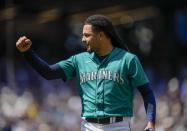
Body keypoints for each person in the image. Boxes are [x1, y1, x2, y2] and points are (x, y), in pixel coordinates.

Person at [16, 14, 156, 131]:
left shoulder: (128, 60)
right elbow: (48, 72)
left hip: (118, 126)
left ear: (101, 35)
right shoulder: (79, 60)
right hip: (89, 126)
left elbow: (147, 92)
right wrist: (27, 53)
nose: (82, 39)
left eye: (87, 35)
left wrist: (151, 122)